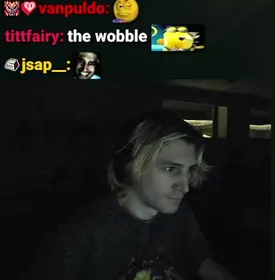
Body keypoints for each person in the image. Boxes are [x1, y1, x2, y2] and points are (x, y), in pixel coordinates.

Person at [22, 111, 239, 280]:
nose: (185, 186)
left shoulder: (179, 215)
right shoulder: (81, 233)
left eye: (189, 170)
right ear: (133, 165)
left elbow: (202, 263)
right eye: (171, 169)